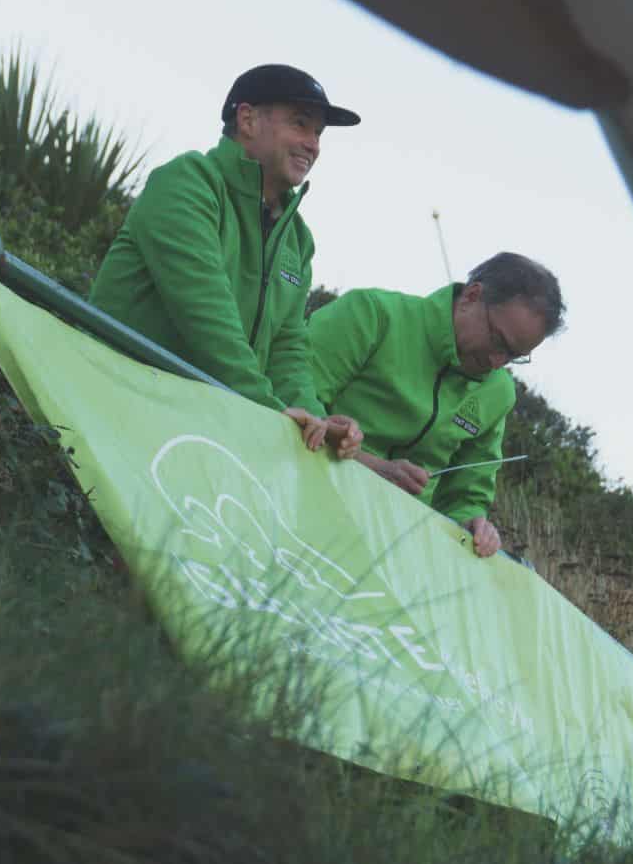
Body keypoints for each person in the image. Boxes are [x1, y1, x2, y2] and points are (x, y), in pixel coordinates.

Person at [88, 64, 364, 458]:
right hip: (111, 406)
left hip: (199, 435)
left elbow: (287, 348)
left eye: (318, 133)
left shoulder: (298, 239)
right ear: (247, 120)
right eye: (300, 124)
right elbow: (206, 318)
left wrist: (318, 422)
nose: (312, 145)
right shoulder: (186, 181)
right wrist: (269, 412)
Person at [306, 253, 565, 557]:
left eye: (514, 356)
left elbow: (466, 491)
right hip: (307, 495)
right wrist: (372, 467)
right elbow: (291, 400)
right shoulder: (371, 314)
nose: (498, 362)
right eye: (498, 341)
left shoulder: (499, 393)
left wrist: (473, 523)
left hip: (391, 549)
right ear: (471, 296)